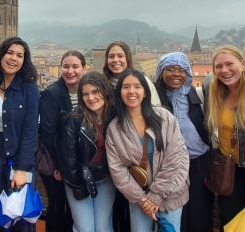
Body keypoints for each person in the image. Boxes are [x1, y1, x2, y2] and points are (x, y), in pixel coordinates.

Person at [106, 70, 189, 232]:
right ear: (120, 93)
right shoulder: (114, 129)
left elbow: (176, 160)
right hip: (139, 197)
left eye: (137, 86)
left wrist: (155, 196)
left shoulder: (165, 117)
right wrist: (143, 199)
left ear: (145, 92)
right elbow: (118, 171)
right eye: (126, 87)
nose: (131, 91)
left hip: (171, 193)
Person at [203, 45, 245, 228]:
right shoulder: (214, 90)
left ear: (243, 64)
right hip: (228, 171)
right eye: (219, 66)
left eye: (230, 64)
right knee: (231, 224)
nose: (224, 70)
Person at [0, 37, 40, 232]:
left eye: (19, 55)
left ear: (24, 61)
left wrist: (22, 168)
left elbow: (30, 131)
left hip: (20, 153)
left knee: (20, 212)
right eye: (10, 53)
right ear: (1, 56)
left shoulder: (29, 89)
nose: (13, 58)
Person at [102, 41, 160, 232]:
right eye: (111, 56)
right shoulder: (102, 84)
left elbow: (156, 117)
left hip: (137, 157)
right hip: (109, 155)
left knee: (137, 210)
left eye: (120, 56)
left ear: (128, 59)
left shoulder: (142, 82)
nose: (116, 60)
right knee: (116, 207)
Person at [154, 52, 213, 232]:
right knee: (176, 211)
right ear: (161, 73)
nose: (176, 74)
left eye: (182, 70)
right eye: (170, 69)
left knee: (200, 210)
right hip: (170, 165)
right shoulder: (154, 99)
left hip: (198, 161)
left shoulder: (197, 95)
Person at [60, 71, 117, 232]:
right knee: (85, 228)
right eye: (85, 94)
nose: (90, 98)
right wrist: (78, 186)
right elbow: (68, 160)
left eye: (95, 92)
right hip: (78, 179)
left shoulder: (115, 117)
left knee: (102, 227)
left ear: (105, 91)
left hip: (106, 178)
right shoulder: (74, 119)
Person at [39, 51, 86, 232]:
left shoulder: (87, 91)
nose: (70, 71)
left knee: (73, 207)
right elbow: (49, 134)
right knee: (58, 205)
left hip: (76, 162)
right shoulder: (52, 93)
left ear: (84, 68)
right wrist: (60, 166)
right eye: (66, 66)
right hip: (55, 162)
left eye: (75, 66)